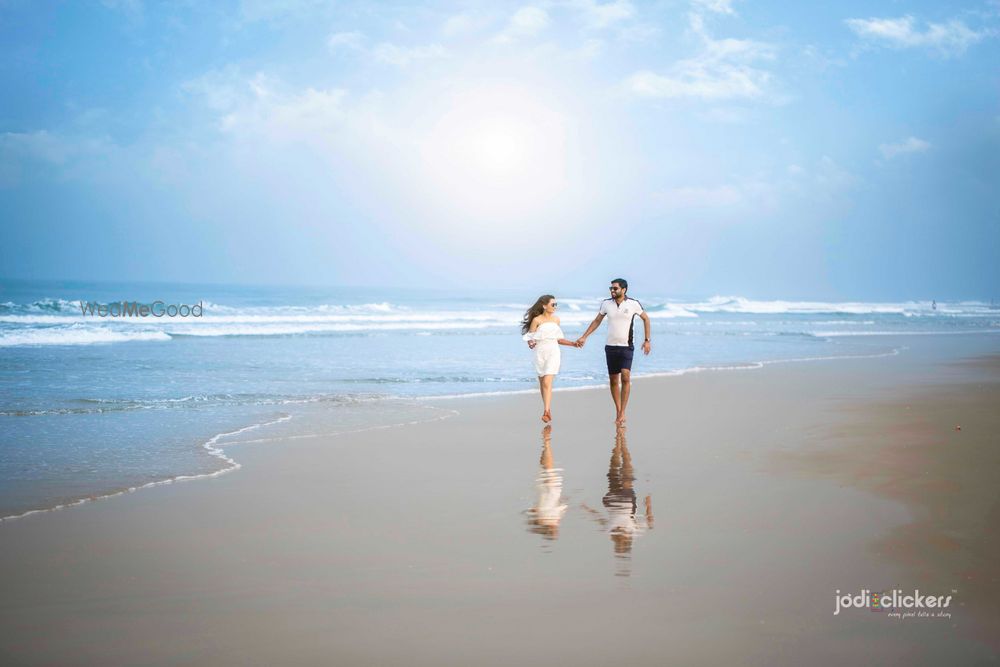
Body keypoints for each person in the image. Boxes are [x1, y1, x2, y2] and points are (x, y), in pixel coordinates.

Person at [576, 278, 651, 425]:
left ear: (624, 290)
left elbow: (646, 319)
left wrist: (647, 340)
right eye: (611, 288)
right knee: (613, 380)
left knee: (625, 376)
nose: (612, 290)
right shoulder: (606, 304)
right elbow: (596, 321)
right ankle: (618, 410)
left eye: (615, 288)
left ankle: (623, 411)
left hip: (627, 346)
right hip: (610, 347)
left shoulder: (633, 304)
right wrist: (584, 336)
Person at [522, 295, 580, 423]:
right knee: (543, 383)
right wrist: (531, 343)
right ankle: (546, 408)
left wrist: (573, 343)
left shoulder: (556, 320)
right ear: (544, 306)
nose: (555, 307)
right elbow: (530, 337)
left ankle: (546, 411)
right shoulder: (537, 320)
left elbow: (558, 339)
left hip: (553, 352)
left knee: (547, 382)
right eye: (553, 304)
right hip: (540, 353)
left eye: (556, 304)